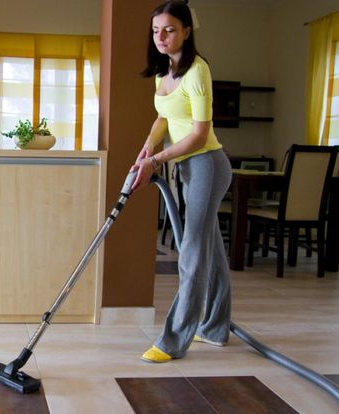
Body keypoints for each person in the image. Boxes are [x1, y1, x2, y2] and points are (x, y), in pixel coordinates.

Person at [130, 0, 232, 363]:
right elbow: (164, 118)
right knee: (210, 250)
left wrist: (156, 160)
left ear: (186, 31)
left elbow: (200, 135)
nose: (161, 37)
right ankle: (217, 328)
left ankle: (173, 341)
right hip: (186, 168)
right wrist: (146, 148)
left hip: (206, 164)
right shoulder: (163, 72)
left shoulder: (197, 72)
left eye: (169, 29)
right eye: (156, 30)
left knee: (190, 251)